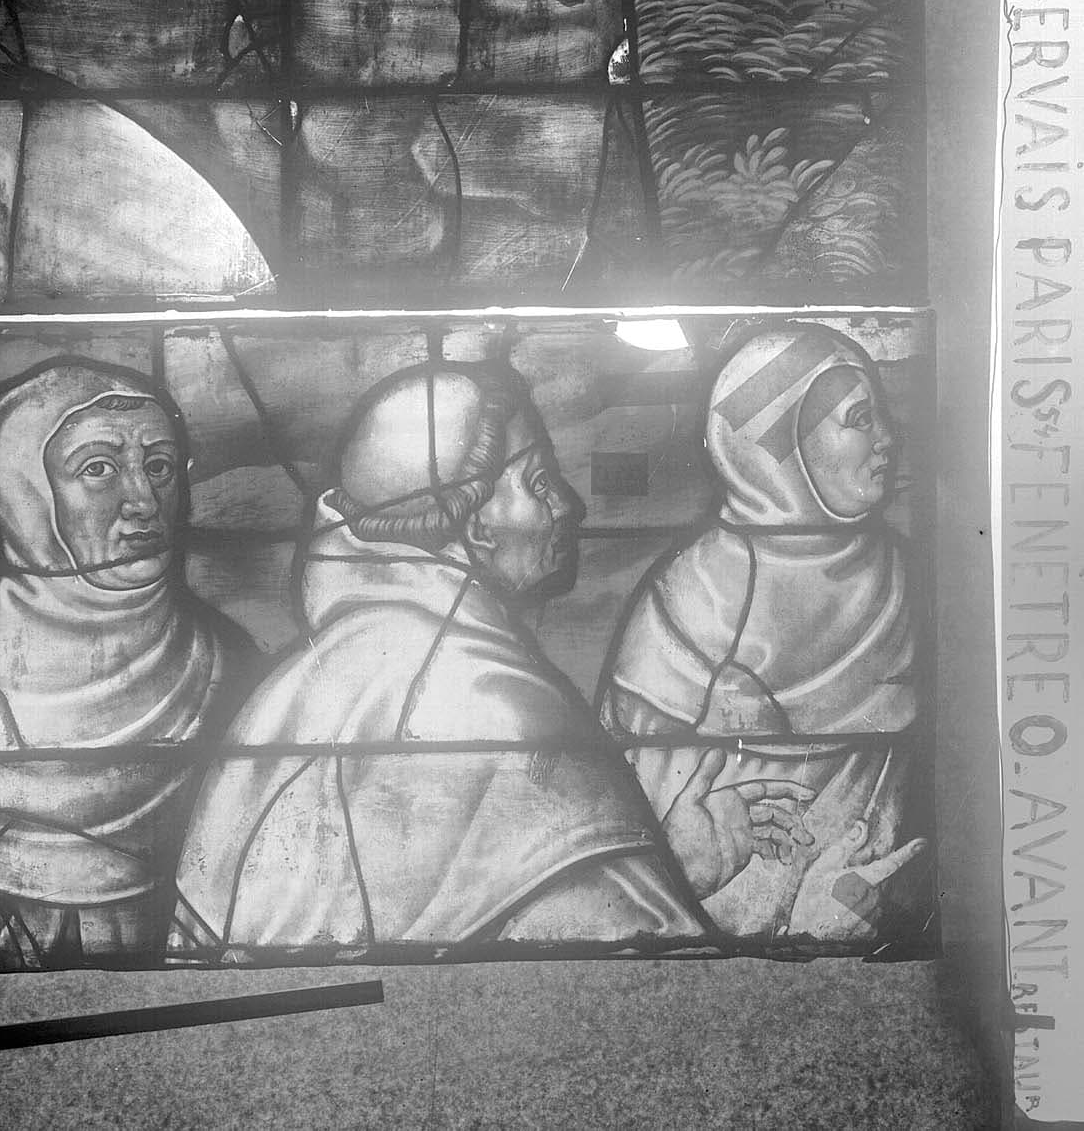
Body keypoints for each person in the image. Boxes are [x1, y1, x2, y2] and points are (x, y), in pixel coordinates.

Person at [173, 362, 812, 958]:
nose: (569, 505)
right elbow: (619, 981)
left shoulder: (304, 687)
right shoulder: (493, 704)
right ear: (476, 527)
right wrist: (656, 884)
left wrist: (671, 868)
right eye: (539, 484)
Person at [0, 358, 260, 969]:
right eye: (98, 468)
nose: (144, 502)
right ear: (26, 495)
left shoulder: (228, 664)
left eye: (159, 467)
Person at [598, 324, 926, 942]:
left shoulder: (908, 581)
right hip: (706, 939)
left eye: (880, 414)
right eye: (860, 419)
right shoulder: (688, 605)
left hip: (871, 917)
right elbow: (640, 836)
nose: (888, 438)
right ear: (780, 451)